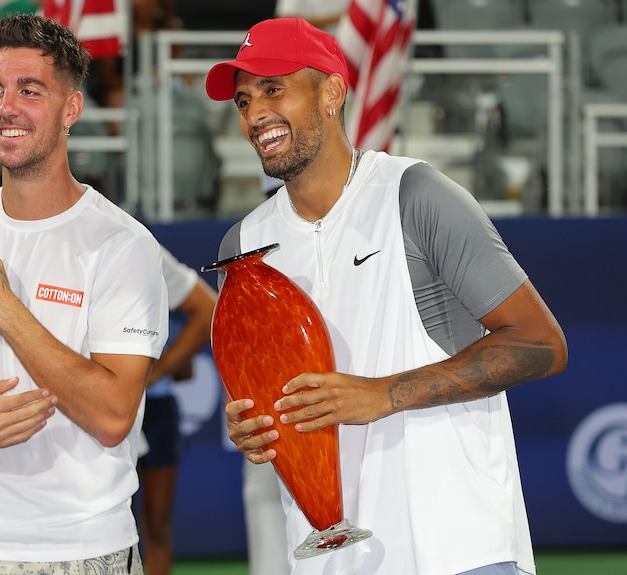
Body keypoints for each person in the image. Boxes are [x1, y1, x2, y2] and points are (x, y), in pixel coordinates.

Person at [204, 17, 568, 575]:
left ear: (331, 92)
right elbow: (269, 396)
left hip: (459, 552)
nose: (254, 114)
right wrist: (252, 429)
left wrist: (384, 393)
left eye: (273, 89)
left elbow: (542, 344)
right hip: (330, 561)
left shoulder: (417, 195)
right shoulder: (244, 245)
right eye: (243, 99)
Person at [0, 13, 168, 575]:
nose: (6, 107)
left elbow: (114, 416)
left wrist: (2, 306)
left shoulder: (122, 246)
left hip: (84, 550)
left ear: (72, 109)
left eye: (30, 90)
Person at [138, 245, 217, 575]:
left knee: (157, 524)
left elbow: (206, 312)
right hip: (96, 406)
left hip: (154, 409)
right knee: (111, 524)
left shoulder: (138, 251)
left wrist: (155, 373)